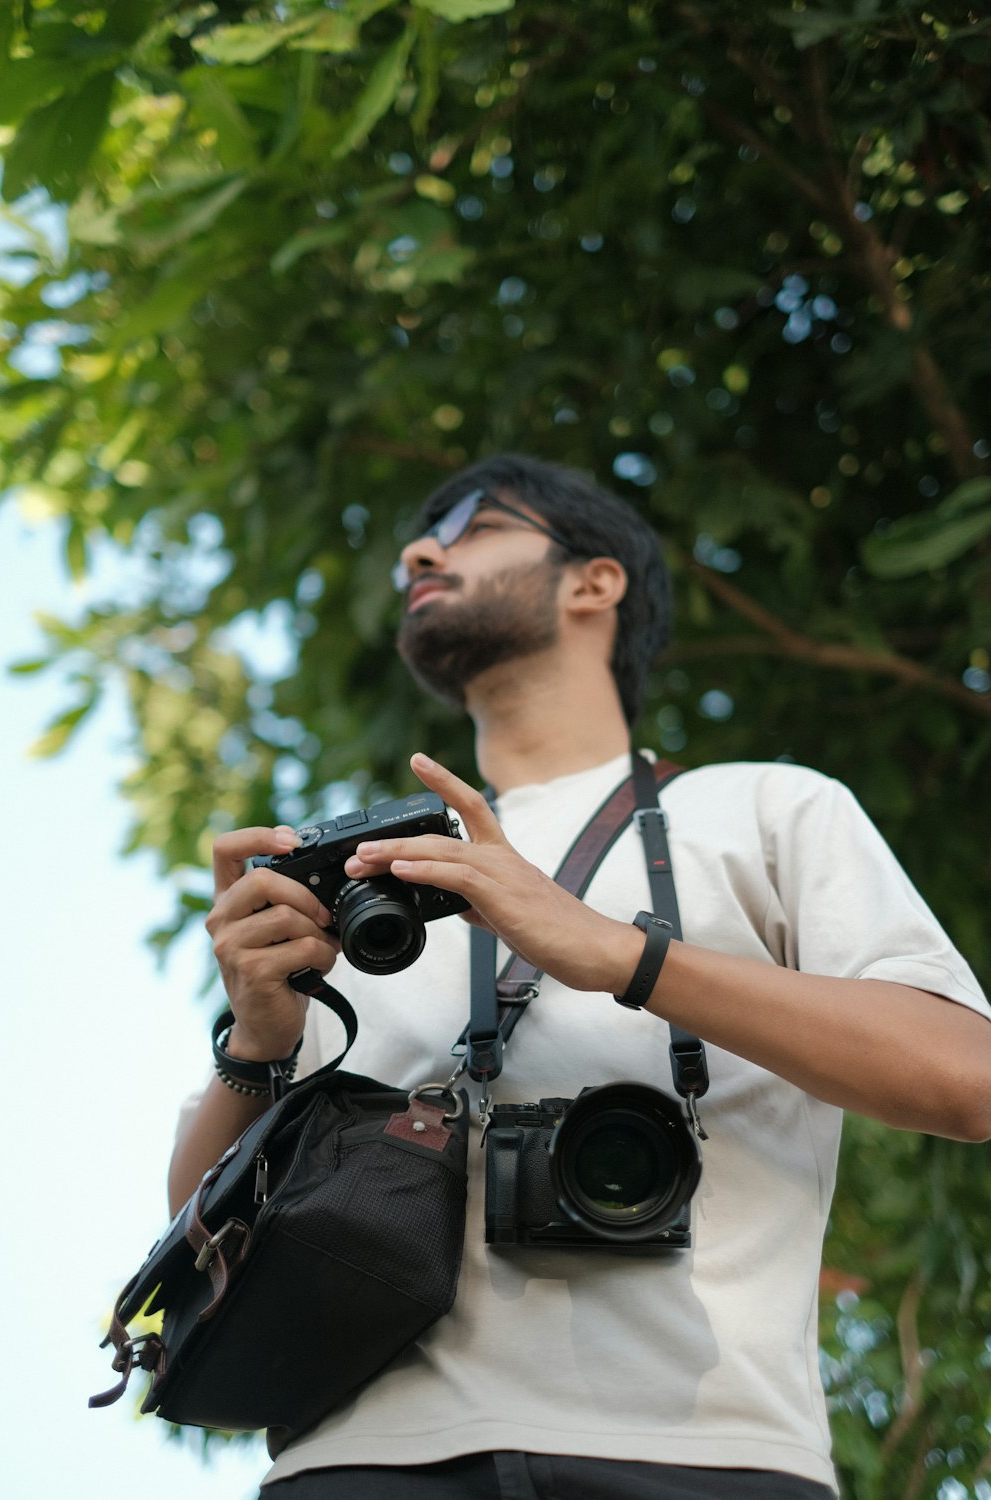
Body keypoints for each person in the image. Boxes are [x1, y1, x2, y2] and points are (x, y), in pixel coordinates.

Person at [170, 454, 991, 1500]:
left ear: (592, 583)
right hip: (359, 1462)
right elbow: (198, 1234)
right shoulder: (359, 890)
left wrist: (618, 954)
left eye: (468, 525)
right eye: (417, 542)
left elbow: (964, 1078)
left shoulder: (767, 809)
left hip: (713, 1457)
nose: (420, 550)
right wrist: (255, 1038)